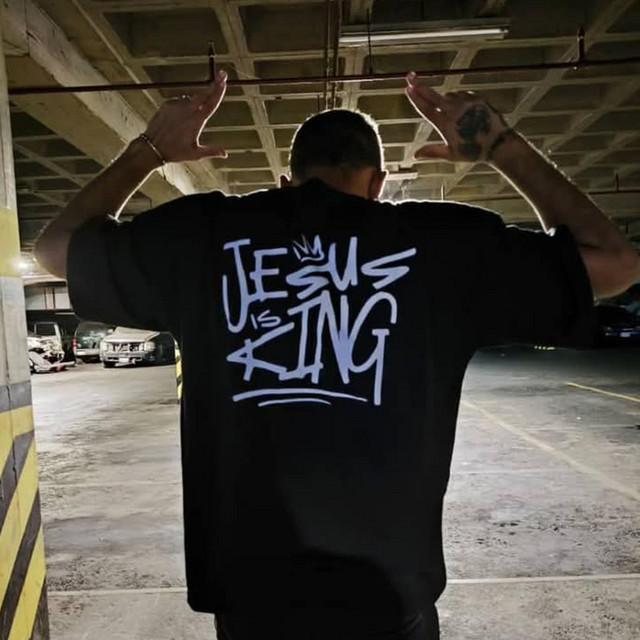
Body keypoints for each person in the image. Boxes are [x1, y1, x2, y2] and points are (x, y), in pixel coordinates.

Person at [34, 70, 639, 639]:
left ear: (286, 180)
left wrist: (149, 150)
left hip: (253, 598)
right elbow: (614, 263)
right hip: (386, 598)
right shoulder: (441, 246)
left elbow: (56, 248)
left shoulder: (203, 236)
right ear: (378, 184)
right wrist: (500, 145)